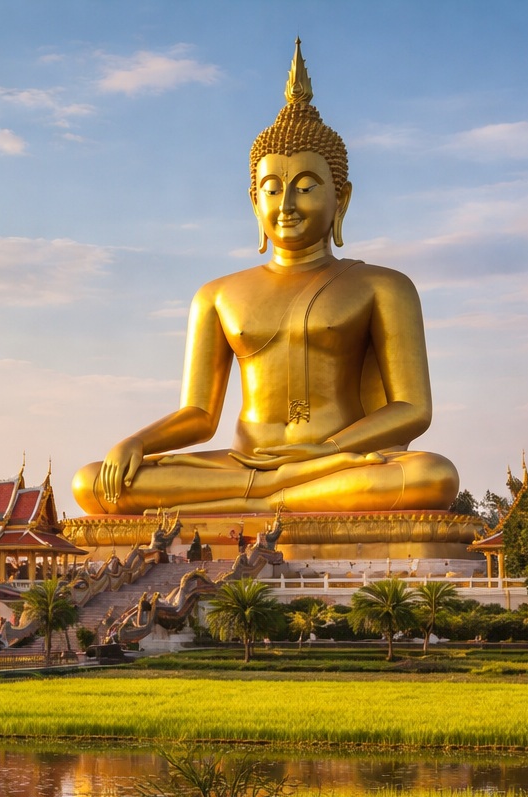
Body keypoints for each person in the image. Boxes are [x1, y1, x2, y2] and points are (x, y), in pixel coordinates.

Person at [72, 40, 458, 517]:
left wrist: (329, 449)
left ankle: (256, 504)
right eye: (272, 189)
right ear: (254, 201)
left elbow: (411, 409)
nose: (287, 205)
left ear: (343, 199)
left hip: (335, 462)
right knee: (91, 482)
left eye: (306, 187)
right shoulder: (216, 295)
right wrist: (135, 442)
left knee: (432, 475)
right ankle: (273, 499)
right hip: (244, 463)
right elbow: (199, 416)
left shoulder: (382, 286)